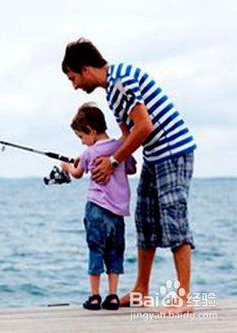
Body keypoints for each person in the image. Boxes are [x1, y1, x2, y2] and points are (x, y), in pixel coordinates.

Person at [61, 38, 197, 314]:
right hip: (154, 156)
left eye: (73, 77)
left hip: (173, 152)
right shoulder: (112, 93)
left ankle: (184, 298)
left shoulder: (121, 80)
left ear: (86, 69)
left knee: (174, 220)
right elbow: (125, 137)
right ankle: (141, 291)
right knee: (145, 221)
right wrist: (93, 157)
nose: (74, 85)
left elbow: (144, 126)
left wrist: (113, 162)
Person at [61, 103, 136, 311]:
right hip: (117, 213)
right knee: (115, 252)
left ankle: (94, 296)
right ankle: (112, 296)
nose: (83, 143)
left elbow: (76, 173)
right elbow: (131, 167)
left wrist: (65, 165)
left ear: (91, 131)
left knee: (95, 250)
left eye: (81, 137)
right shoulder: (120, 147)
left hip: (96, 210)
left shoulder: (89, 152)